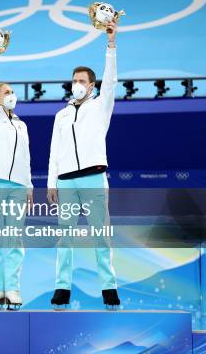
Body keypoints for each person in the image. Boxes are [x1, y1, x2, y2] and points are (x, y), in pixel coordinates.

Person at [47, 20, 120, 310]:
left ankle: (109, 287)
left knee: (101, 235)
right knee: (65, 238)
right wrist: (52, 181)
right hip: (65, 181)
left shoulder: (101, 107)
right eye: (74, 81)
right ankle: (62, 287)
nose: (77, 85)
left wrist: (111, 44)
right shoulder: (61, 116)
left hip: (93, 178)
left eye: (82, 81)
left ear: (91, 85)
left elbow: (112, 79)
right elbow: (54, 150)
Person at [0, 45, 33, 310]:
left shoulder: (22, 125)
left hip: (19, 187)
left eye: (12, 92)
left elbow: (26, 158)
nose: (11, 95)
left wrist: (30, 185)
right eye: (6, 92)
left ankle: (12, 287)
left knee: (14, 236)